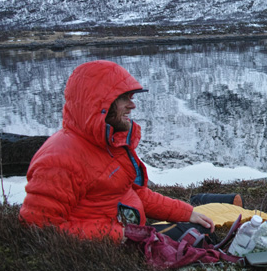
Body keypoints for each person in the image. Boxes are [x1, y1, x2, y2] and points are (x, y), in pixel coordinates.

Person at [20, 60, 214, 242]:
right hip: (102, 252)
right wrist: (119, 235)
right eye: (123, 98)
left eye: (130, 97)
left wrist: (187, 213)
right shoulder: (60, 160)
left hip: (130, 235)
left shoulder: (110, 143)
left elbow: (137, 194)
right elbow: (40, 228)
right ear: (99, 104)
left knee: (204, 233)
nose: (133, 105)